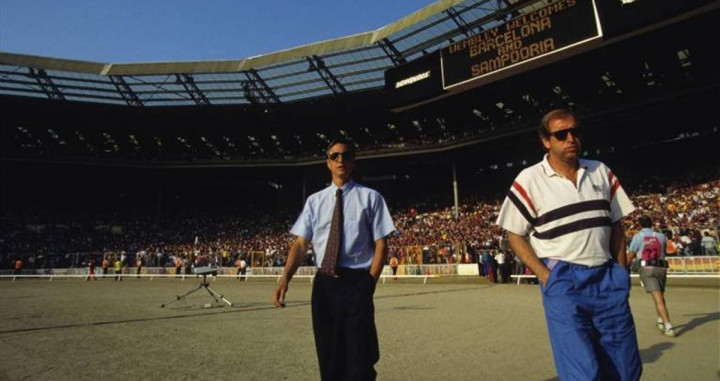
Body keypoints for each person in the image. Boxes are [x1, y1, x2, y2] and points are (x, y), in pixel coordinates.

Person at [496, 109, 642, 380]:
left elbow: (616, 227)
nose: (571, 138)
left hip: (607, 276)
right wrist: (546, 277)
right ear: (545, 141)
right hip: (564, 280)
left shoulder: (601, 171)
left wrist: (620, 272)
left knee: (626, 368)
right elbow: (514, 234)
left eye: (576, 132)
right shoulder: (529, 179)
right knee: (582, 372)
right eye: (561, 134)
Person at [273, 138, 395, 381]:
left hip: (357, 282)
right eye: (335, 155)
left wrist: (369, 282)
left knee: (360, 357)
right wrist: (285, 277)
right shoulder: (314, 201)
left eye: (346, 155)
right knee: (329, 354)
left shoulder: (371, 198)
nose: (341, 159)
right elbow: (300, 243)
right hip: (324, 285)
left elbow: (382, 244)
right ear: (327, 162)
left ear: (354, 162)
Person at [627, 215, 675, 337]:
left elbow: (631, 254)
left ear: (640, 225)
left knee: (657, 297)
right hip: (661, 267)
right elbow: (663, 251)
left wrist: (623, 267)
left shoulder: (638, 237)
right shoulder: (660, 236)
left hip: (646, 268)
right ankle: (660, 318)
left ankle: (668, 325)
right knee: (660, 294)